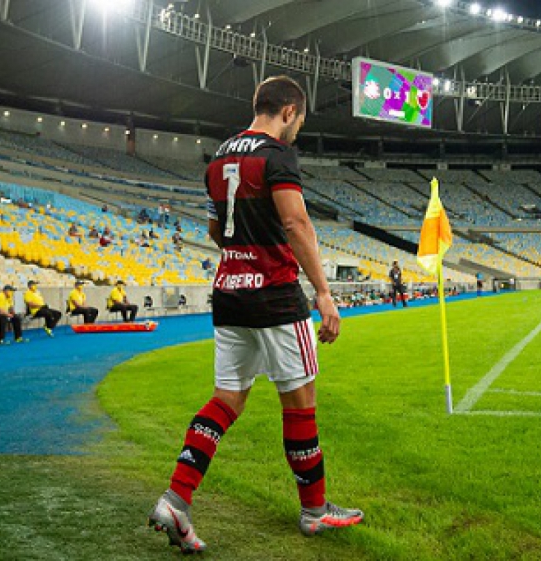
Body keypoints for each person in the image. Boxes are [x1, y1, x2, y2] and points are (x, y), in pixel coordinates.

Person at [148, 75, 363, 554]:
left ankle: (175, 499)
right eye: (299, 122)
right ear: (288, 111)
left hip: (228, 293)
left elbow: (213, 228)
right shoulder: (276, 155)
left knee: (226, 399)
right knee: (300, 402)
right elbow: (295, 221)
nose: (296, 132)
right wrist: (324, 293)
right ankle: (314, 510)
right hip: (276, 297)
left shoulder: (219, 157)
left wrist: (243, 255)